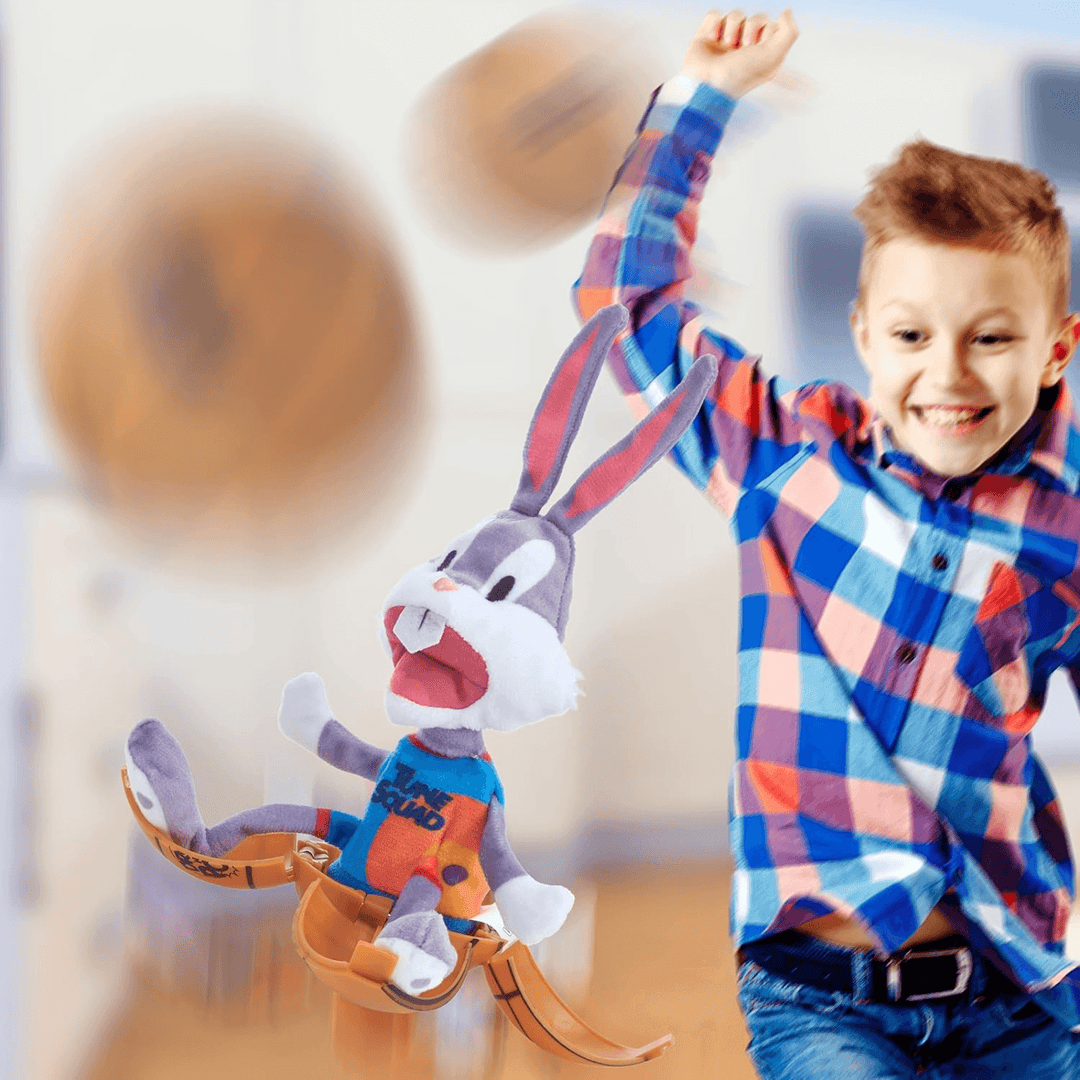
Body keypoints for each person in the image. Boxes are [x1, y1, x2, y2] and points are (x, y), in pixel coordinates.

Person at [573, 9, 1080, 1077]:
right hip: (822, 1005)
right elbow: (624, 307)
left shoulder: (1063, 521)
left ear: (1053, 349)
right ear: (862, 334)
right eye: (910, 335)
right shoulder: (783, 456)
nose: (946, 373)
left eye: (992, 337)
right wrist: (703, 97)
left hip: (1025, 999)